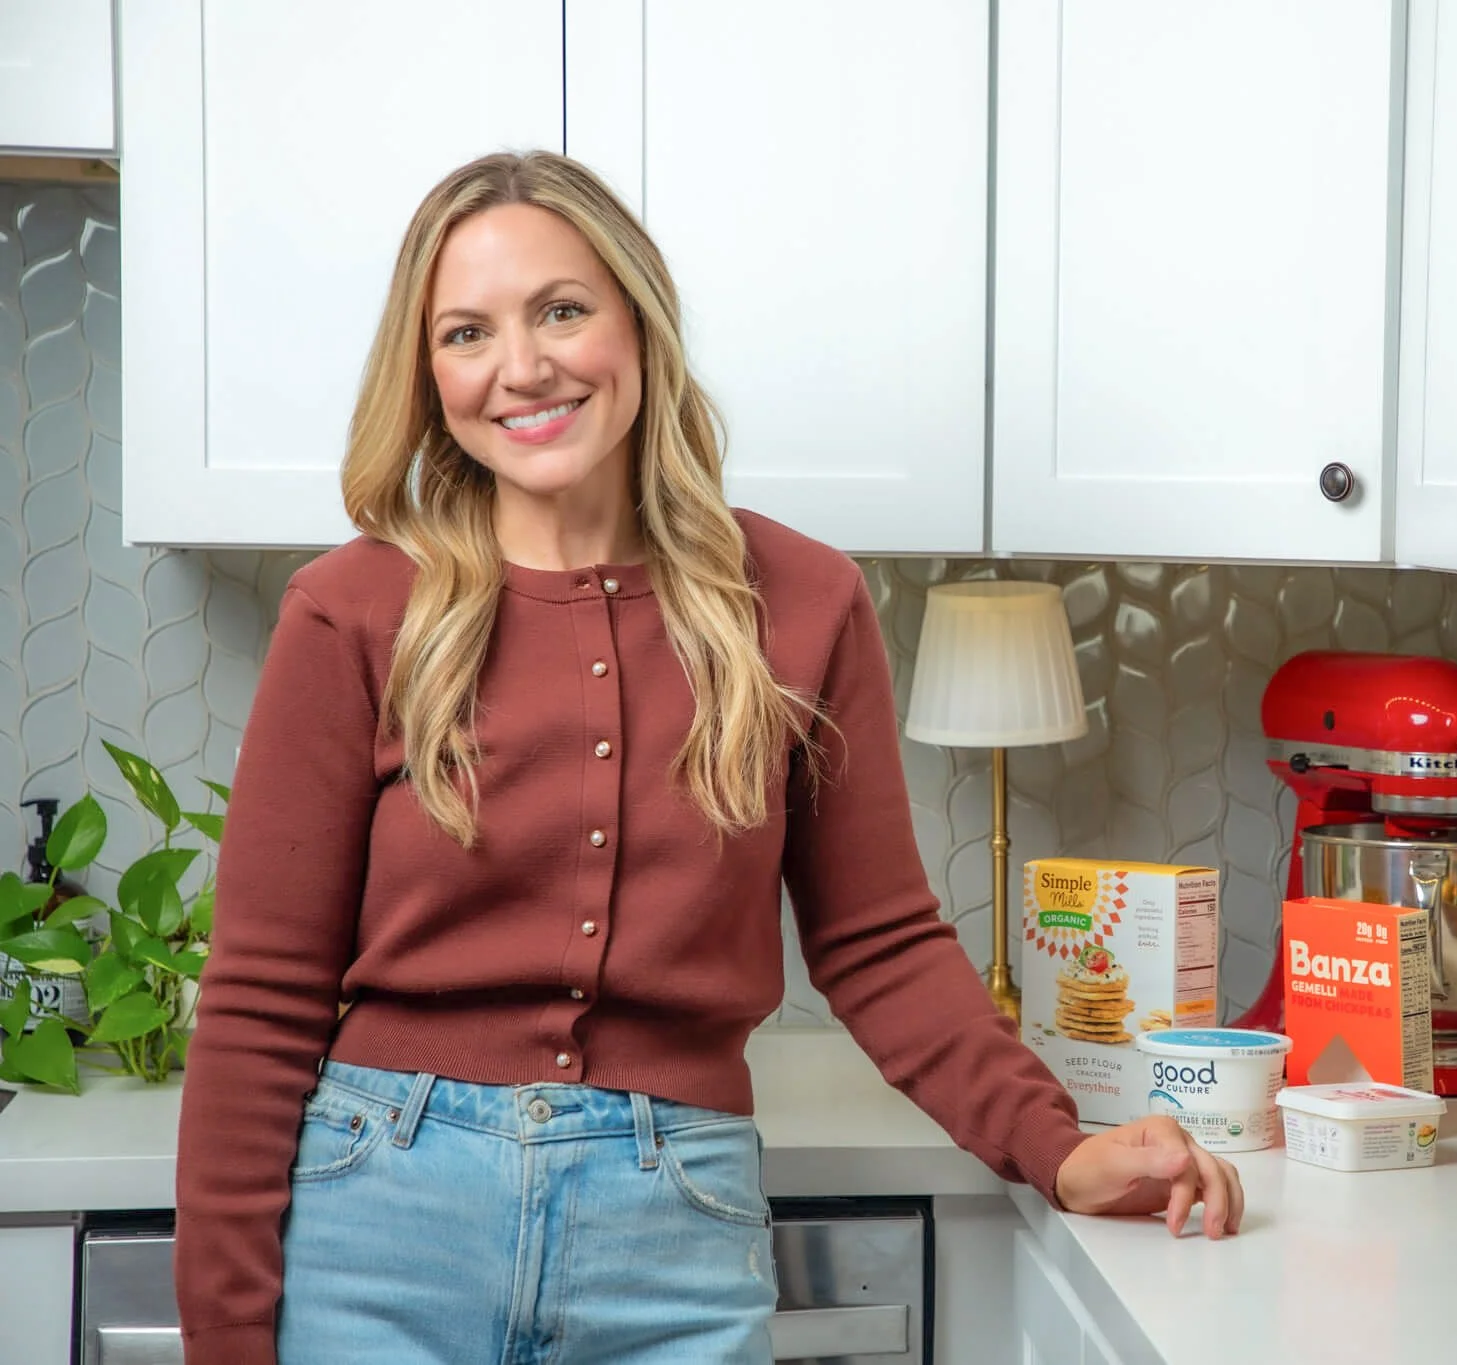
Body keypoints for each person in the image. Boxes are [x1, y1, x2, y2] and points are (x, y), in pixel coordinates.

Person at [172, 150, 1245, 1364]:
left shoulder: (799, 600)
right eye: (466, 332)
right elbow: (260, 1002)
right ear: (428, 377)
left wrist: (1055, 1145)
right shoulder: (352, 610)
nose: (521, 367)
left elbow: (878, 943)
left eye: (561, 311)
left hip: (674, 1224)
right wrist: (223, 1331)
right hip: (382, 1219)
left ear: (637, 320)